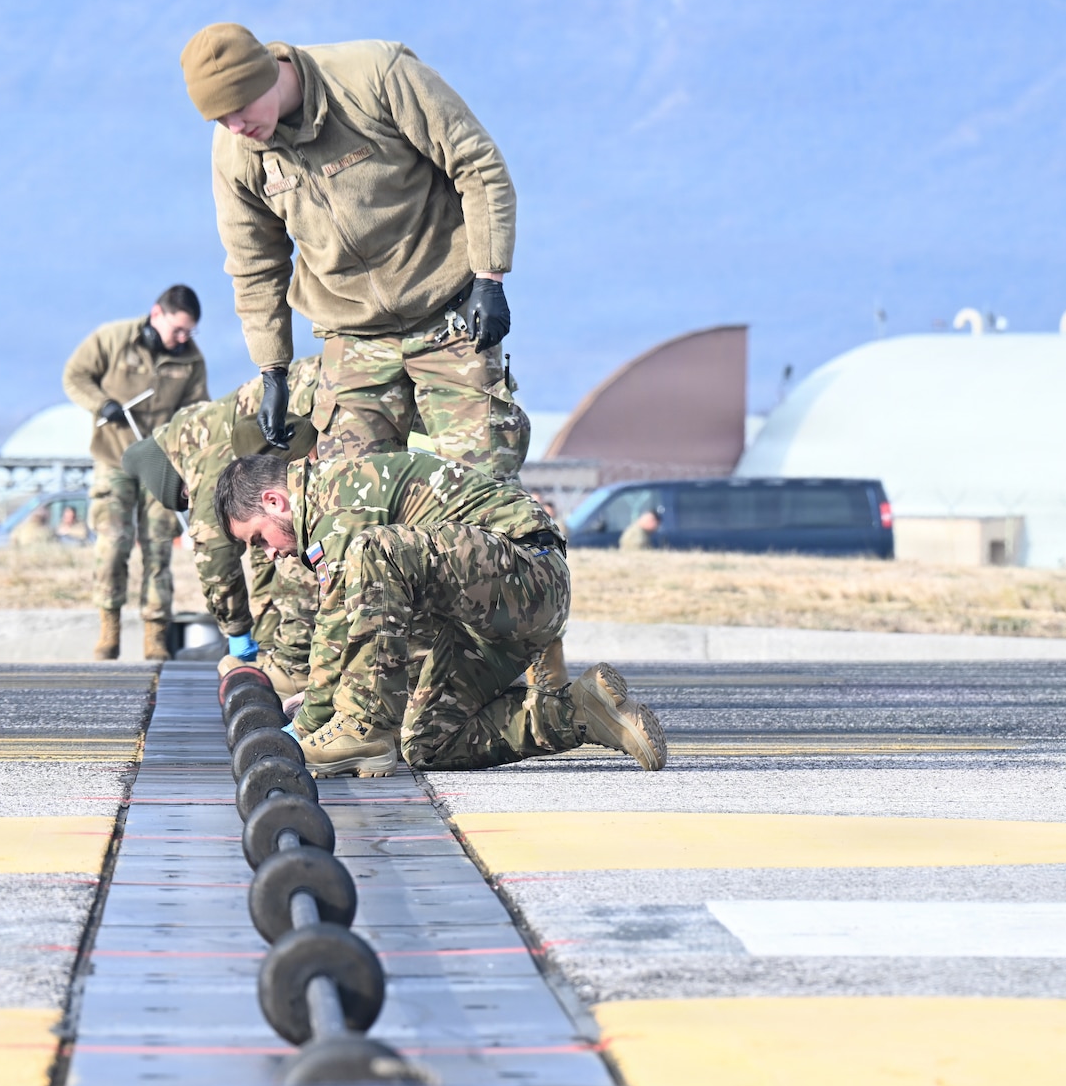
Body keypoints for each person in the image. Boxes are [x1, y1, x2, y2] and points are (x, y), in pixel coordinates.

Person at [180, 23, 531, 481]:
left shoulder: (375, 77)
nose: (236, 127)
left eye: (239, 108)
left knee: (481, 484)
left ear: (265, 74)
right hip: (353, 334)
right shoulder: (237, 151)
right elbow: (253, 264)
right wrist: (273, 369)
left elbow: (478, 166)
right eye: (219, 119)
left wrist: (490, 276)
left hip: (448, 310)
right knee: (349, 497)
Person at [215, 448, 669, 778]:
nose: (269, 554)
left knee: (373, 552)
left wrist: (306, 727)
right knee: (427, 741)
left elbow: (337, 623)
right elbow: (376, 629)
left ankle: (361, 725)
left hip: (528, 576)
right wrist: (327, 697)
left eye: (258, 540)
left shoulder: (342, 496)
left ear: (274, 502)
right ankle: (583, 712)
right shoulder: (328, 516)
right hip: (492, 612)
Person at [121, 357, 322, 696]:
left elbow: (213, 553)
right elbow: (266, 558)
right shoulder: (204, 425)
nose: (196, 500)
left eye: (187, 497)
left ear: (179, 481)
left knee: (300, 547)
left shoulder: (200, 451)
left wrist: (238, 631)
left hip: (329, 398)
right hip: (334, 386)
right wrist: (265, 642)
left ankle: (296, 667)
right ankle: (285, 657)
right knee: (274, 541)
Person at [62, 286, 209, 659]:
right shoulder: (113, 340)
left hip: (160, 463)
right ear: (156, 315)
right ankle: (108, 630)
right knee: (112, 544)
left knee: (159, 548)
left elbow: (197, 412)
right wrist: (102, 405)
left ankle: (155, 636)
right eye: (177, 329)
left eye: (188, 332)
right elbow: (75, 376)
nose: (182, 338)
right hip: (114, 457)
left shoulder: (191, 360)